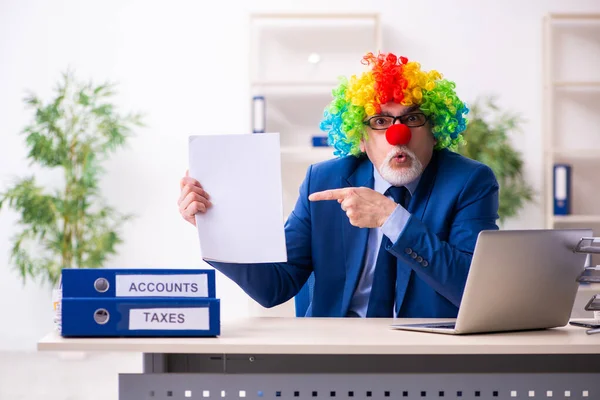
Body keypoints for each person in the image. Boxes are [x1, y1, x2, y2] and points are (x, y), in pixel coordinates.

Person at [178, 52, 499, 318]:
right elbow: (274, 287)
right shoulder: (324, 180)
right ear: (360, 137)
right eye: (380, 121)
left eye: (412, 119)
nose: (397, 135)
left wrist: (394, 220)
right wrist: (216, 228)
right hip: (332, 350)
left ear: (435, 129)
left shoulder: (469, 182)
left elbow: (474, 289)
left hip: (426, 355)